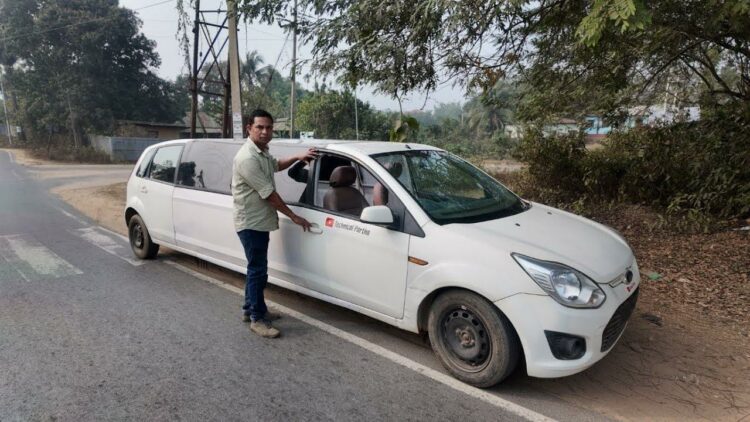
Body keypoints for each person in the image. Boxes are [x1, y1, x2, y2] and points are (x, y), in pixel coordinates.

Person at [232, 109, 317, 338]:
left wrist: (297, 157)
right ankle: (258, 319)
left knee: (255, 269)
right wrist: (294, 216)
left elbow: (276, 165)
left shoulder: (261, 152)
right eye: (260, 127)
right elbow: (268, 194)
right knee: (258, 271)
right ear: (249, 127)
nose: (265, 131)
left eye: (269, 127)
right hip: (251, 222)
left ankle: (250, 309)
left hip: (259, 220)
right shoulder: (247, 158)